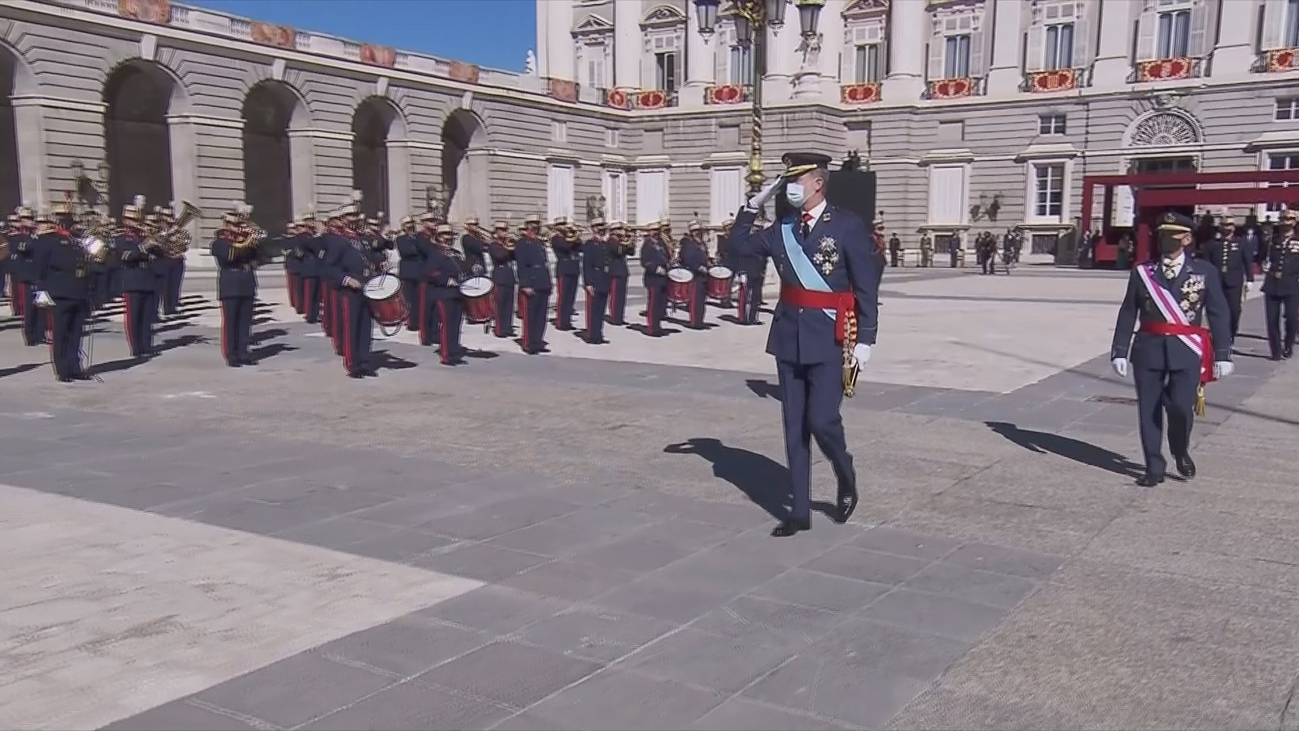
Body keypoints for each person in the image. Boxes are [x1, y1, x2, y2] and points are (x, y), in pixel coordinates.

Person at [727, 152, 881, 537]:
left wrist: (866, 339)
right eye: (787, 182)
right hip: (787, 337)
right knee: (794, 426)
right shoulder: (782, 228)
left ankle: (844, 471)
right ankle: (798, 511)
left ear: (817, 183)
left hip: (830, 337)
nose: (789, 189)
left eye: (795, 182)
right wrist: (751, 206)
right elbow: (739, 247)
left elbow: (866, 287)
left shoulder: (846, 225)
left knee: (822, 420)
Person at [1110, 211, 1233, 487]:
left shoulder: (1204, 272)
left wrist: (1223, 354)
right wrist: (1119, 349)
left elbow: (1218, 313)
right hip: (1148, 349)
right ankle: (1154, 466)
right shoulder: (1143, 272)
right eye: (1162, 234)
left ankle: (1179, 449)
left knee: (1180, 407)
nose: (1165, 239)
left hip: (1186, 350)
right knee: (1148, 409)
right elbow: (1128, 310)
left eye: (1171, 235)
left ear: (1186, 239)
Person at [31, 204, 92, 382]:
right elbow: (39, 267)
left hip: (78, 292)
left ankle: (75, 367)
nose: (67, 220)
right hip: (59, 293)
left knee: (76, 333)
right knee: (61, 333)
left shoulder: (76, 240)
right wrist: (40, 291)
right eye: (62, 216)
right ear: (55, 219)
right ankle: (62, 369)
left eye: (69, 216)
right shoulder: (47, 240)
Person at [211, 205, 259, 367]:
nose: (238, 228)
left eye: (240, 225)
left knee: (245, 322)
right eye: (235, 225)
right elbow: (230, 256)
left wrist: (253, 240)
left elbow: (260, 257)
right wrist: (247, 243)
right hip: (230, 285)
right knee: (231, 322)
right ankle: (231, 354)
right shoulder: (219, 243)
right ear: (226, 224)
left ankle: (243, 352)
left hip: (247, 283)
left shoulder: (247, 241)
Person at [113, 196, 159, 359]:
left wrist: (158, 244)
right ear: (125, 220)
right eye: (132, 220)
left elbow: (158, 255)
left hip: (147, 278)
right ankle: (136, 348)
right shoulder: (120, 238)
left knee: (147, 316)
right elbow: (126, 256)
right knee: (134, 316)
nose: (136, 223)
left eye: (138, 220)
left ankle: (147, 345)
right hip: (132, 280)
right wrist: (144, 248)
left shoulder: (144, 236)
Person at [1203, 215, 1256, 344]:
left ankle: (1231, 333)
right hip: (1216, 281)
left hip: (1234, 282)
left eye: (1229, 225)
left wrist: (1250, 279)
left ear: (1233, 227)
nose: (1227, 228)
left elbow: (1247, 261)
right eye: (1224, 225)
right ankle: (1219, 335)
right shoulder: (1212, 244)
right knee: (1216, 309)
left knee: (1234, 310)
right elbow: (1206, 264)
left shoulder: (1241, 243)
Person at [426, 223, 466, 365]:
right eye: (445, 235)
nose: (449, 238)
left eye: (450, 235)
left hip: (457, 293)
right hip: (443, 294)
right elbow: (430, 272)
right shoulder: (435, 253)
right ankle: (446, 354)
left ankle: (454, 351)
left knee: (456, 324)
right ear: (439, 237)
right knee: (447, 324)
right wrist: (446, 280)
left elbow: (463, 269)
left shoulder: (456, 254)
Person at [1261, 209, 1299, 359]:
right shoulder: (1272, 241)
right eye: (1283, 219)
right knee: (1271, 320)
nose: (1286, 223)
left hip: (1292, 284)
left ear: (1294, 222)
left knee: (1291, 318)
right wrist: (1263, 264)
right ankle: (1276, 351)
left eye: (1289, 220)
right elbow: (1261, 257)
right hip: (1272, 283)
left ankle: (1288, 345)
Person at [515, 214, 552, 354]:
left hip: (542, 282)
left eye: (537, 223)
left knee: (541, 316)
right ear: (527, 225)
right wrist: (525, 284)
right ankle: (529, 343)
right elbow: (522, 265)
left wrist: (548, 283)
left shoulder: (539, 242)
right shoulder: (522, 243)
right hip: (531, 281)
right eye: (532, 224)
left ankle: (538, 341)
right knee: (530, 315)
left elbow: (545, 264)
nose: (535, 226)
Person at [582, 217, 611, 344]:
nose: (601, 229)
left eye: (602, 226)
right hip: (595, 278)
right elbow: (586, 265)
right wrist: (588, 283)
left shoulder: (605, 244)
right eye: (598, 226)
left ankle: (598, 333)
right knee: (593, 309)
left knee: (601, 309)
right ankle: (592, 335)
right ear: (593, 229)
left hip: (604, 278)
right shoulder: (590, 245)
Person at [640, 221, 670, 336]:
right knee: (653, 305)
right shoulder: (647, 245)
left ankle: (657, 326)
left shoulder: (661, 243)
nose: (655, 233)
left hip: (663, 278)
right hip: (652, 278)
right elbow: (644, 262)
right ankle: (652, 328)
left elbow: (667, 256)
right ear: (649, 232)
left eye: (657, 231)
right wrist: (656, 269)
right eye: (653, 231)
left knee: (660, 304)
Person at [679, 220, 710, 329]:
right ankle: (695, 322)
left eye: (699, 230)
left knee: (701, 300)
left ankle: (700, 320)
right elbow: (687, 259)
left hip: (702, 275)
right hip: (694, 275)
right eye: (695, 231)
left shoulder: (701, 243)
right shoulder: (688, 243)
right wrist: (698, 267)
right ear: (691, 232)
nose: (698, 233)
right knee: (695, 300)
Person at [551, 217, 580, 331]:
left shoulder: (569, 237)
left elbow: (580, 248)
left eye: (565, 224)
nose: (565, 227)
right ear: (557, 227)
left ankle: (567, 320)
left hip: (573, 268)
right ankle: (561, 322)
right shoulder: (555, 239)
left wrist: (577, 236)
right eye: (562, 225)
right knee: (563, 297)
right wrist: (575, 237)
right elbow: (566, 247)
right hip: (564, 268)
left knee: (571, 297)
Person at [488, 221, 517, 338]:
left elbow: (515, 257)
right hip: (499, 276)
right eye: (502, 230)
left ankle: (507, 327)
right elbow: (500, 256)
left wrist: (514, 247)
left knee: (509, 305)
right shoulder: (493, 245)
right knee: (500, 305)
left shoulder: (506, 245)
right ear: (496, 232)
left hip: (509, 276)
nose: (505, 233)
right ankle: (500, 329)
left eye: (505, 230)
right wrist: (508, 247)